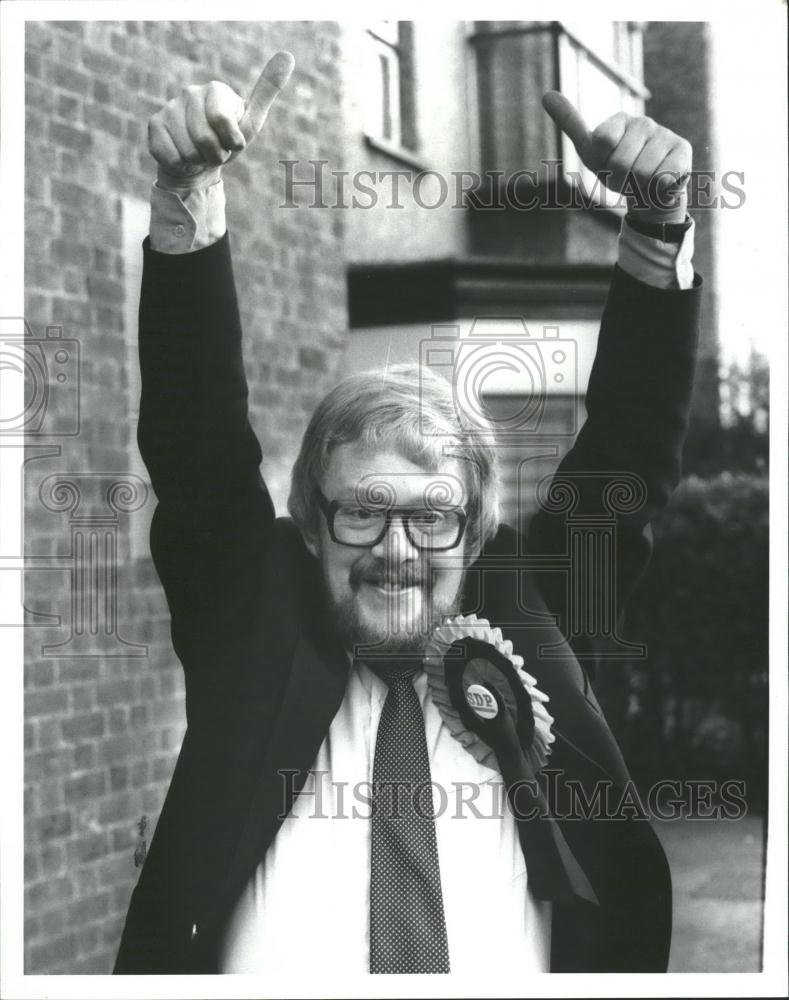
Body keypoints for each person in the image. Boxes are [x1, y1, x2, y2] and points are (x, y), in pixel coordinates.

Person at [114, 51, 701, 976]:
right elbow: (197, 451)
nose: (396, 551)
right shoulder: (253, 627)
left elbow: (628, 453)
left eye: (432, 519)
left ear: (473, 532)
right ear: (308, 523)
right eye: (361, 513)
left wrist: (655, 233)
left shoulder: (535, 619)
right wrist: (187, 199)